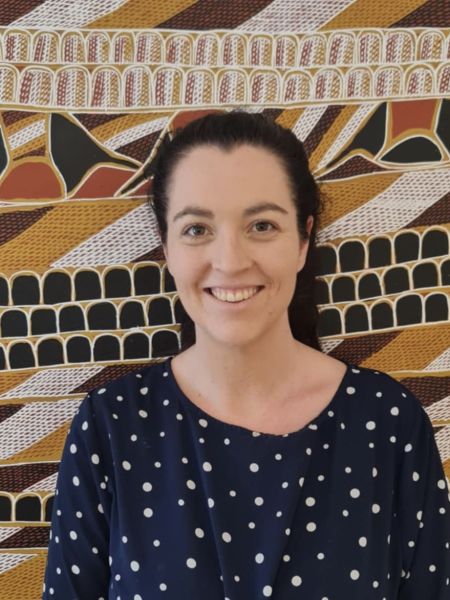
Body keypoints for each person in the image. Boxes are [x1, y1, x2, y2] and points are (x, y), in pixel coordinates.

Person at [42, 111, 450, 599]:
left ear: (303, 241)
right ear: (166, 248)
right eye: (197, 229)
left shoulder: (389, 422)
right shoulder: (109, 428)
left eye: (261, 225)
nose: (231, 261)